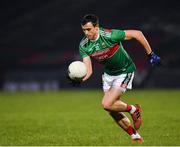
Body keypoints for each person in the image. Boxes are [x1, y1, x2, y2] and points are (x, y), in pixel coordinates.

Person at [69, 14, 161, 142]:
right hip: (108, 75)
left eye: (89, 29)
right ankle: (135, 136)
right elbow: (88, 69)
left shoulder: (110, 35)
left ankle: (133, 109)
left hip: (125, 70)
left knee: (107, 104)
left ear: (97, 27)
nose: (86, 32)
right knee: (111, 109)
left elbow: (137, 34)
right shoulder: (84, 45)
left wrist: (150, 54)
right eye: (84, 29)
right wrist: (79, 80)